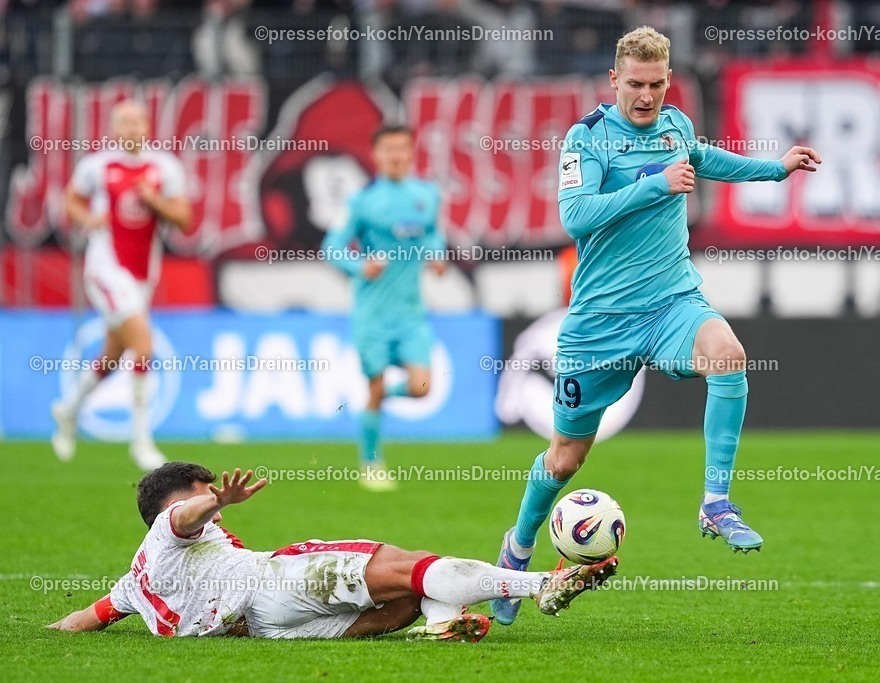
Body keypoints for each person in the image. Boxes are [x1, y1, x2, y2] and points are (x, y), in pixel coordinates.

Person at [491, 26, 821, 626]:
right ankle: (516, 552)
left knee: (728, 353)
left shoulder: (675, 126)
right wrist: (652, 186)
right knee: (564, 460)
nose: (646, 96)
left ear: (668, 81)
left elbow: (702, 159)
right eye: (636, 84)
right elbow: (575, 215)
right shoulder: (586, 138)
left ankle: (716, 502)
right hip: (600, 324)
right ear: (614, 80)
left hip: (671, 302)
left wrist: (775, 170)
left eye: (657, 84)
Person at [47, 463, 617, 641]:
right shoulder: (170, 530)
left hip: (263, 630)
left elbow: (85, 619)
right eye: (205, 490)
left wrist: (47, 634)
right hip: (274, 584)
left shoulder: (132, 582)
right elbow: (180, 517)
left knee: (403, 602)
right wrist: (215, 500)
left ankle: (440, 624)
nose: (211, 501)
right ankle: (540, 584)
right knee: (405, 565)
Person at [52, 100, 192, 471]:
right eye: (124, 122)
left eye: (138, 121)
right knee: (143, 346)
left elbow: (184, 218)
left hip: (143, 274)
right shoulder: (97, 166)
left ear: (148, 126)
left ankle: (68, 412)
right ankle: (141, 442)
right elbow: (71, 200)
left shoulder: (164, 168)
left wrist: (153, 200)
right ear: (114, 128)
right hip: (105, 268)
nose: (131, 128)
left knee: (112, 356)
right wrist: (88, 218)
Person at [322, 125, 446, 491]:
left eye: (401, 149)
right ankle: (372, 464)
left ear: (411, 153)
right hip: (372, 314)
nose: (395, 156)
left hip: (410, 313)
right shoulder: (361, 202)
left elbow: (432, 234)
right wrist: (360, 266)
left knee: (422, 386)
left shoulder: (426, 195)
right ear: (376, 155)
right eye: (387, 149)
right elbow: (332, 246)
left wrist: (437, 254)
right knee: (374, 383)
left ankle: (375, 404)